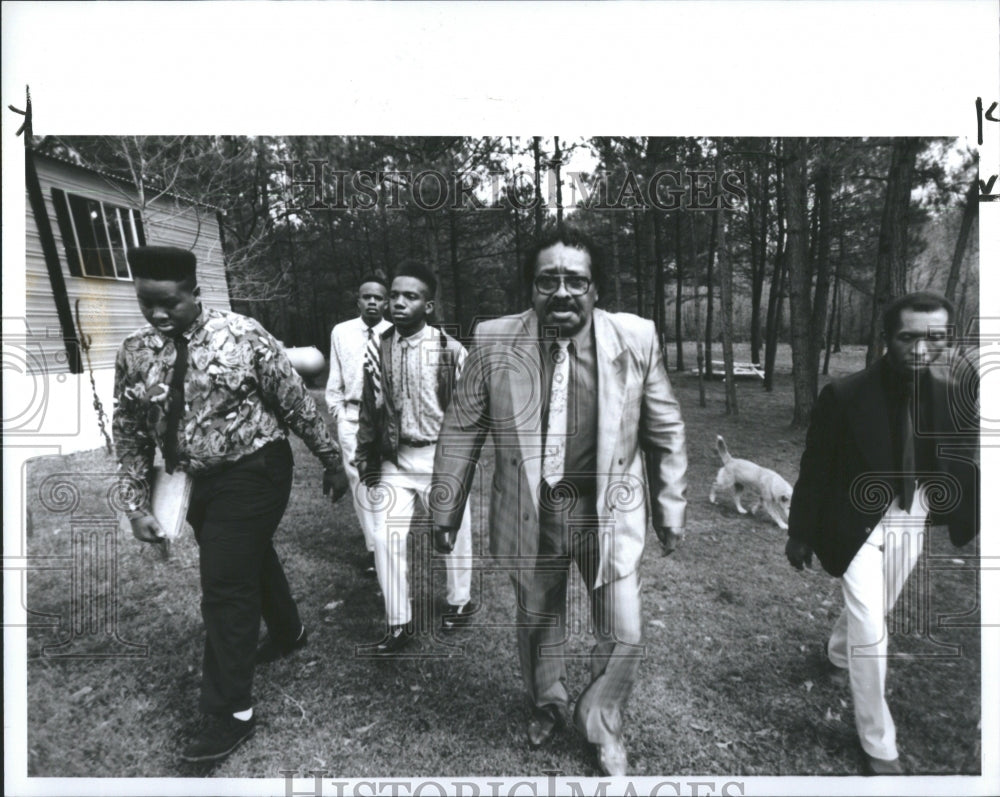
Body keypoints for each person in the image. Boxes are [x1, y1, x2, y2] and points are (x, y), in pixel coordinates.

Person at [430, 225, 688, 776]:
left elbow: (665, 429)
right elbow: (461, 428)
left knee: (625, 630)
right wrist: (444, 508)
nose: (563, 292)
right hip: (530, 514)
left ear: (595, 290)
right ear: (531, 287)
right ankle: (547, 701)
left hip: (606, 514)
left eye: (576, 280)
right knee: (536, 620)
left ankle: (601, 718)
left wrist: (670, 505)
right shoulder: (495, 341)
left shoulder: (635, 339)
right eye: (549, 280)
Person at [113, 246, 349, 763]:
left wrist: (333, 461)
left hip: (257, 470)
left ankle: (230, 713)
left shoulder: (243, 335)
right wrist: (134, 505)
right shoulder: (134, 351)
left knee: (224, 584)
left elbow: (294, 402)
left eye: (169, 303)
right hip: (195, 483)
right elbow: (129, 431)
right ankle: (290, 632)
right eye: (146, 303)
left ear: (195, 293)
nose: (157, 314)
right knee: (245, 556)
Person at [785, 291, 979, 776]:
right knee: (873, 629)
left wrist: (958, 506)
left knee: (875, 610)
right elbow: (816, 468)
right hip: (854, 524)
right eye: (908, 336)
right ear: (886, 339)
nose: (921, 349)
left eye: (935, 338)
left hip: (911, 519)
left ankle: (834, 651)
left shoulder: (954, 392)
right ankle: (878, 742)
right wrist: (801, 531)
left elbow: (960, 455)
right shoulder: (845, 395)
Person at [355, 261, 476, 655]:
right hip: (395, 459)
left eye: (411, 296)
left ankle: (460, 600)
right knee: (386, 537)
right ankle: (398, 623)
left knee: (453, 537)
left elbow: (469, 414)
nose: (399, 303)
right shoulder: (378, 346)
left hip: (442, 460)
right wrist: (364, 457)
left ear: (429, 305)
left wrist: (459, 465)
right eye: (395, 295)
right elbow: (370, 408)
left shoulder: (451, 350)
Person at [325, 274, 392, 576]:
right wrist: (338, 412)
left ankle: (390, 543)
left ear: (387, 302)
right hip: (351, 418)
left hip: (384, 419)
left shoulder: (396, 332)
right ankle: (374, 549)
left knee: (387, 481)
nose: (373, 302)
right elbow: (335, 377)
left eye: (378, 297)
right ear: (359, 301)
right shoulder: (341, 332)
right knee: (361, 484)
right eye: (367, 297)